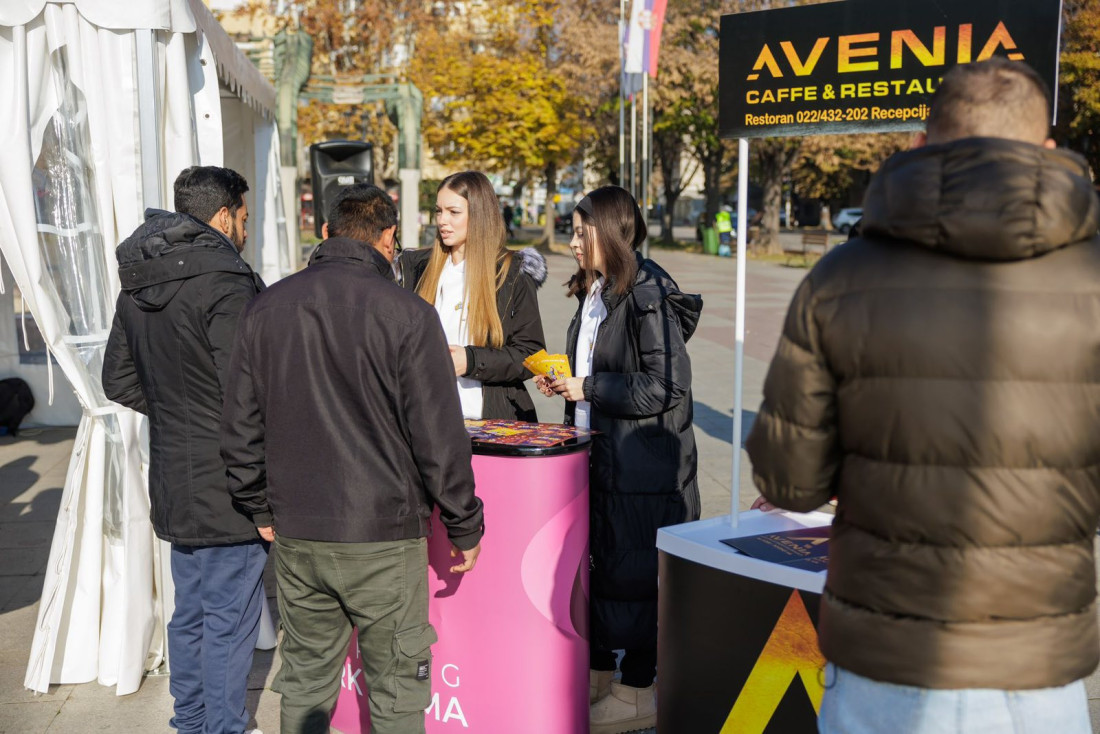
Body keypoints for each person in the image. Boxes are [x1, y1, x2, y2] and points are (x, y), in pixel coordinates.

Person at [745, 58, 1100, 734]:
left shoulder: (840, 278)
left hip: (886, 660)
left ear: (919, 144)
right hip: (1038, 665)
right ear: (1047, 151)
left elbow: (789, 482)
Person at [219, 183, 485, 734]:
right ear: (389, 239)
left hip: (299, 530)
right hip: (383, 536)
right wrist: (465, 523)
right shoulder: (409, 314)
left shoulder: (266, 307)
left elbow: (240, 426)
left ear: (325, 233)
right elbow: (439, 437)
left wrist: (258, 506)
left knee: (307, 684)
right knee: (396, 694)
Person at [101, 165, 266, 734]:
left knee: (192, 611)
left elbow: (119, 380)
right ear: (222, 216)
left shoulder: (139, 280)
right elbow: (247, 391)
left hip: (174, 474)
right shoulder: (227, 281)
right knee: (227, 615)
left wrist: (179, 413)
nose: (246, 228)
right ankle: (222, 726)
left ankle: (192, 721)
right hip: (230, 478)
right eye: (244, 217)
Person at [535, 185, 702, 734]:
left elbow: (665, 387)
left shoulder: (649, 291)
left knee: (637, 580)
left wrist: (588, 387)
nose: (574, 241)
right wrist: (567, 383)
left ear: (609, 232)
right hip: (601, 461)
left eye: (582, 231)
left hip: (644, 472)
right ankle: (601, 674)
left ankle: (638, 690)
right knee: (603, 574)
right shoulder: (598, 290)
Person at [400, 171, 546, 421]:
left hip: (490, 424)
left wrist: (470, 361)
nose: (442, 220)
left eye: (453, 212)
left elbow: (529, 354)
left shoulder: (512, 273)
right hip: (428, 424)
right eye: (438, 211)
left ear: (479, 215)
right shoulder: (416, 268)